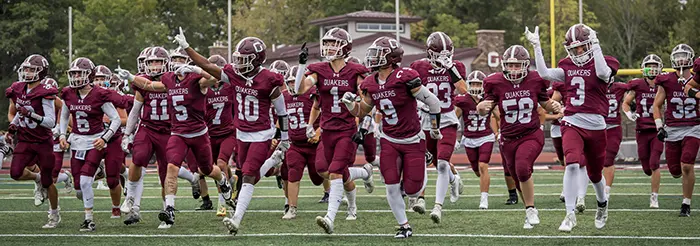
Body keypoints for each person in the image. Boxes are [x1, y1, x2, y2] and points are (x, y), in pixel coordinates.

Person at [170, 28, 287, 235]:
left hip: (262, 133)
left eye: (244, 59)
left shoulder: (270, 79)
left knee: (249, 175)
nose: (239, 63)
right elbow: (207, 65)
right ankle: (272, 161)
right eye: (238, 58)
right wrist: (187, 48)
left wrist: (284, 138)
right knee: (246, 173)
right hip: (241, 133)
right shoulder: (234, 74)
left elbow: (282, 112)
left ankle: (236, 220)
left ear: (256, 59)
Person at [116, 45, 233, 229]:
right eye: (175, 59)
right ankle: (167, 209)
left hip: (193, 132)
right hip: (173, 132)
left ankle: (222, 181)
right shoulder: (166, 79)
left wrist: (194, 68)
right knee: (165, 166)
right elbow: (148, 87)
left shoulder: (194, 79)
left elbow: (213, 77)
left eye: (181, 59)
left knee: (207, 169)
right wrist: (131, 77)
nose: (177, 63)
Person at [526, 24, 619, 231]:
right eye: (574, 48)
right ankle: (569, 215)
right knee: (572, 163)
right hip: (572, 121)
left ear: (590, 44)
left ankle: (602, 204)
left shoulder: (605, 61)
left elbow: (603, 73)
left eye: (582, 47)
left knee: (595, 174)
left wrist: (595, 44)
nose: (578, 52)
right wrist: (537, 46)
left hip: (596, 124)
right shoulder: (567, 65)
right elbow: (544, 73)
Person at [344, 36, 440, 238]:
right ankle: (404, 226)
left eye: (377, 53)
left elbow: (433, 103)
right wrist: (350, 105)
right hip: (389, 139)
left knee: (413, 190)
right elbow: (363, 111)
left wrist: (434, 128)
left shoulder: (405, 76)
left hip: (413, 139)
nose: (371, 57)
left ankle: (423, 159)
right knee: (391, 184)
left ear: (391, 57)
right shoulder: (370, 82)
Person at [293, 27, 374, 233]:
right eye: (326, 44)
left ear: (344, 47)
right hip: (327, 130)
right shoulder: (319, 69)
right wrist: (301, 65)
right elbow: (300, 89)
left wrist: (363, 127)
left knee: (337, 172)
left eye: (333, 44)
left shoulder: (355, 71)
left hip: (347, 130)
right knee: (323, 170)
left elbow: (368, 100)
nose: (328, 47)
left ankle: (330, 218)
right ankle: (363, 175)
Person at [476, 45, 561, 229]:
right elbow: (486, 107)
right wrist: (480, 108)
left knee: (522, 169)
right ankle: (528, 210)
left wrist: (552, 105)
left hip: (530, 134)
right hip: (507, 138)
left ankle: (530, 209)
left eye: (517, 65)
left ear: (525, 65)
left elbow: (544, 102)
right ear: (504, 65)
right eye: (511, 65)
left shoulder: (535, 79)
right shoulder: (494, 82)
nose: (514, 69)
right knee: (517, 177)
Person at [59, 57, 122, 231]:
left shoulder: (99, 94)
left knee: (86, 182)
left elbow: (116, 119)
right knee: (79, 188)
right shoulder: (68, 93)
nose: (76, 77)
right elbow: (64, 116)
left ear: (90, 75)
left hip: (95, 141)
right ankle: (94, 176)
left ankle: (89, 219)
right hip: (77, 141)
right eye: (73, 73)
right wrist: (62, 134)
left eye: (79, 73)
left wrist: (105, 138)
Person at [409, 32, 467, 222]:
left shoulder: (456, 66)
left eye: (447, 53)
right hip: (425, 119)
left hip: (447, 119)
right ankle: (453, 179)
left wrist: (450, 69)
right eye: (439, 53)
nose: (444, 57)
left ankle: (437, 207)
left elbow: (463, 90)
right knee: (426, 161)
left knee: (441, 163)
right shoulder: (418, 67)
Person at [5, 54, 62, 228]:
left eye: (32, 69)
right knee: (15, 173)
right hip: (25, 139)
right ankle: (36, 178)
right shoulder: (18, 88)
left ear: (41, 72)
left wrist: (31, 115)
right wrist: (13, 126)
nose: (27, 72)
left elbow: (50, 122)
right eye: (26, 69)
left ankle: (54, 214)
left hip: (43, 141)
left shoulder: (45, 92)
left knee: (48, 181)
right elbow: (19, 112)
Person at [659, 44, 699, 217]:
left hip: (694, 126)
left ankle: (686, 203)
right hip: (673, 128)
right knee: (675, 171)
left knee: (687, 165)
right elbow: (656, 105)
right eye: (678, 56)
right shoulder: (666, 80)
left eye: (684, 56)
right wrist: (659, 125)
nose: (681, 59)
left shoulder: (698, 77)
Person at [622, 54, 664, 208]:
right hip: (641, 130)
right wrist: (629, 114)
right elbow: (626, 103)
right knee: (647, 168)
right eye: (649, 66)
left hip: (657, 130)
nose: (652, 69)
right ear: (643, 69)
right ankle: (653, 188)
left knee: (654, 163)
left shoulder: (663, 85)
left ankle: (654, 197)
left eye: (655, 66)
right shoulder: (637, 85)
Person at [455, 70, 496, 209]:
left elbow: (499, 115)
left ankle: (484, 199)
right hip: (469, 138)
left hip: (485, 136)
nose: (475, 87)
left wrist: (500, 132)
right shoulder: (462, 100)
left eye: (478, 84)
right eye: (472, 84)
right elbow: (454, 120)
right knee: (476, 169)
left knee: (483, 166)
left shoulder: (490, 99)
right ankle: (484, 183)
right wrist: (453, 137)